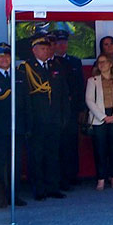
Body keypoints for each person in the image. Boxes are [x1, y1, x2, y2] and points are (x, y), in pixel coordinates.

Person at [15, 34, 68, 201]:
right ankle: (39, 189)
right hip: (36, 121)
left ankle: (53, 187)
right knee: (36, 156)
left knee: (53, 154)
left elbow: (63, 94)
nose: (46, 51)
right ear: (34, 50)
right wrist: (27, 122)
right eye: (42, 48)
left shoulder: (55, 66)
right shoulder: (26, 68)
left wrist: (63, 116)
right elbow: (24, 98)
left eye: (47, 48)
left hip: (53, 119)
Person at [85, 52, 113, 191]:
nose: (102, 64)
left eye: (104, 62)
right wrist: (103, 116)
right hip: (100, 118)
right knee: (100, 149)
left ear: (111, 64)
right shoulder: (93, 81)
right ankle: (101, 179)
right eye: (100, 62)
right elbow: (89, 100)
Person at [0, 42, 25, 208]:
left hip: (17, 127)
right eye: (0, 56)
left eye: (7, 55)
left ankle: (14, 195)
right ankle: (1, 197)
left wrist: (27, 124)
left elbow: (26, 102)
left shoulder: (20, 76)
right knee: (0, 163)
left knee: (15, 163)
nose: (4, 59)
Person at [50, 30, 84, 190]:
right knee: (58, 145)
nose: (62, 46)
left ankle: (72, 176)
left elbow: (80, 86)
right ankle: (59, 178)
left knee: (71, 144)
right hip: (55, 110)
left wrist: (81, 109)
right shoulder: (49, 62)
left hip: (72, 110)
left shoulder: (75, 62)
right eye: (58, 43)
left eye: (64, 43)